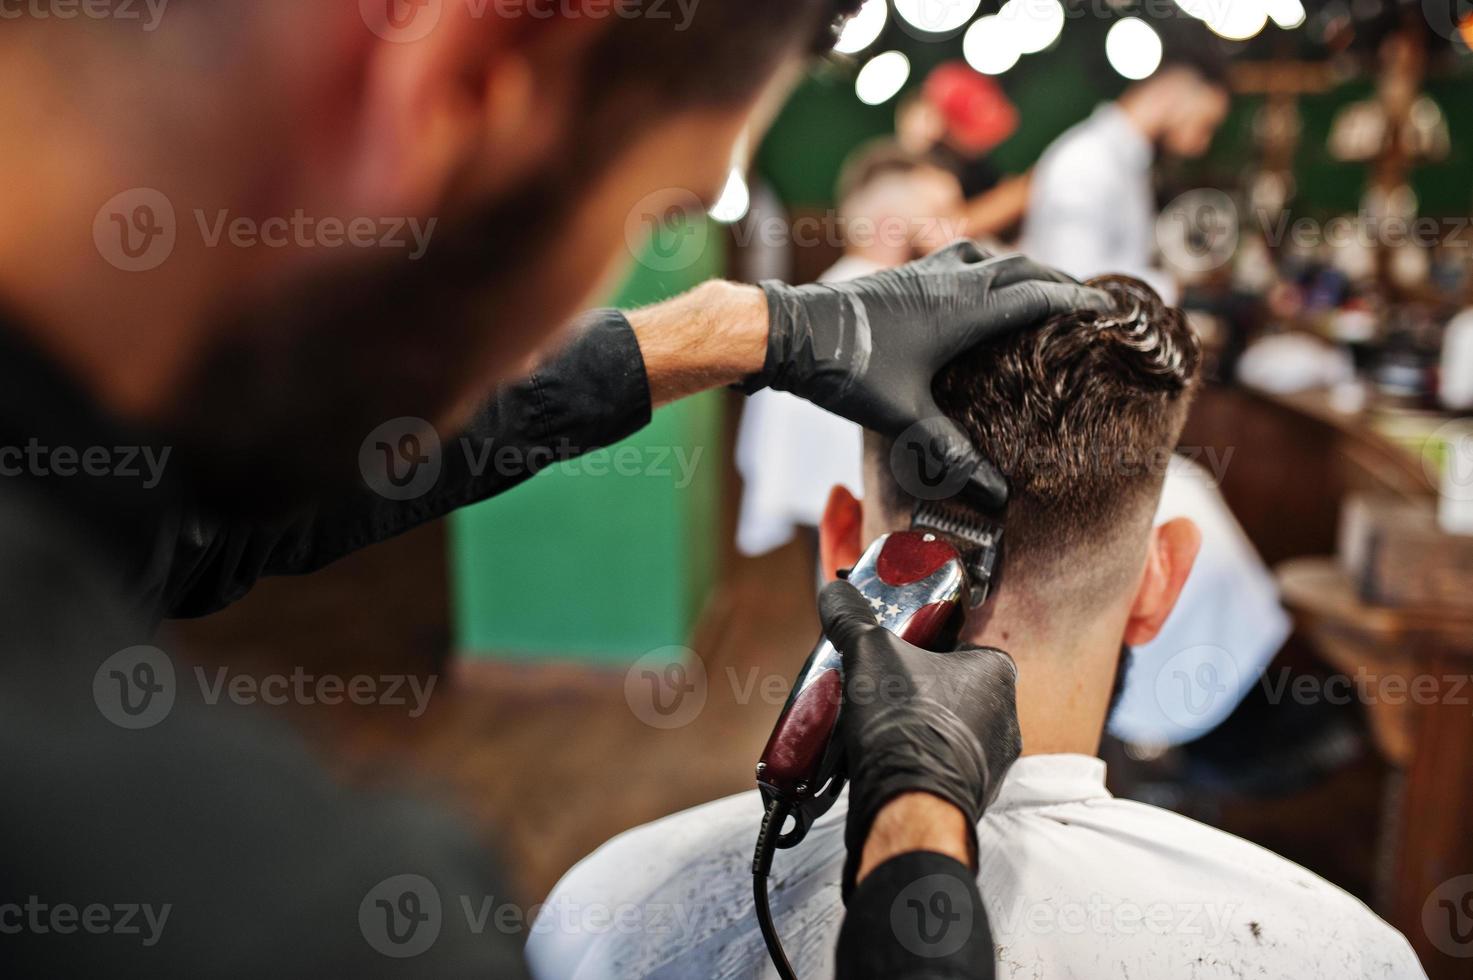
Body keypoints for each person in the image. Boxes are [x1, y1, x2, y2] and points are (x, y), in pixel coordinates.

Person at [1, 4, 1104, 975]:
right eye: (669, 210)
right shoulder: (290, 926)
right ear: (468, 68)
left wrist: (750, 327)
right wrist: (915, 820)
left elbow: (196, 537)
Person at [527, 278, 1424, 980]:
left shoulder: (602, 914)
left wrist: (733, 326)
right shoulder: (1347, 957)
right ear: (1161, 584)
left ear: (843, 547)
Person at [1019, 58, 1292, 748]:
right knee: (1191, 520)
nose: (1200, 139)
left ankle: (1193, 721)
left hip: (1104, 398)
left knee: (1195, 508)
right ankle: (1174, 725)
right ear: (1179, 83)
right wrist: (1183, 297)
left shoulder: (1122, 163)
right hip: (1071, 410)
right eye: (1204, 120)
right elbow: (1084, 295)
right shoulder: (1085, 165)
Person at [736, 143, 966, 557]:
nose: (962, 230)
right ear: (890, 225)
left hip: (834, 525)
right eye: (942, 215)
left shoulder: (816, 303)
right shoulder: (888, 316)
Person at [1020, 62, 1231, 302]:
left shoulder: (1127, 164)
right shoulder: (1088, 159)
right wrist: (1178, 290)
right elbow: (1074, 280)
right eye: (1205, 126)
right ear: (1173, 93)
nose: (1201, 146)